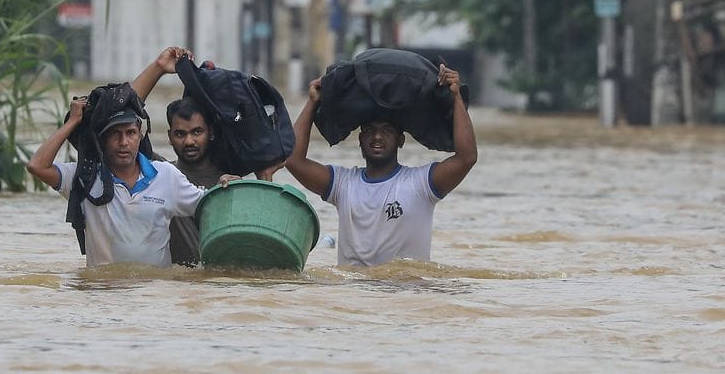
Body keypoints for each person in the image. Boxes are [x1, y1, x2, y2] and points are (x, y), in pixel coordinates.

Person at [284, 64, 478, 267]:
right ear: (360, 139)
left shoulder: (422, 183)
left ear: (401, 140)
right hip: (354, 292)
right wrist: (312, 102)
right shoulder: (342, 184)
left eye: (386, 131)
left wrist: (456, 97)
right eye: (369, 131)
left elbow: (467, 158)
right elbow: (293, 160)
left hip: (405, 292)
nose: (377, 137)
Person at [131, 46, 282, 265]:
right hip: (170, 289)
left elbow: (265, 246)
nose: (189, 141)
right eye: (180, 134)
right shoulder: (159, 174)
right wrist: (159, 68)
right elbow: (120, 117)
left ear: (211, 133)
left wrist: (265, 179)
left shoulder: (231, 184)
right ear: (170, 137)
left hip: (219, 288)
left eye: (197, 132)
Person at [26, 96, 205, 268]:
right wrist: (72, 121)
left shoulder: (166, 175)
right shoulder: (84, 177)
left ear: (140, 135)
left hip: (153, 293)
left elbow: (208, 206)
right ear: (102, 138)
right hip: (103, 292)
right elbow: (37, 166)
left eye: (130, 133)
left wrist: (226, 184)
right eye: (115, 134)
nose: (123, 142)